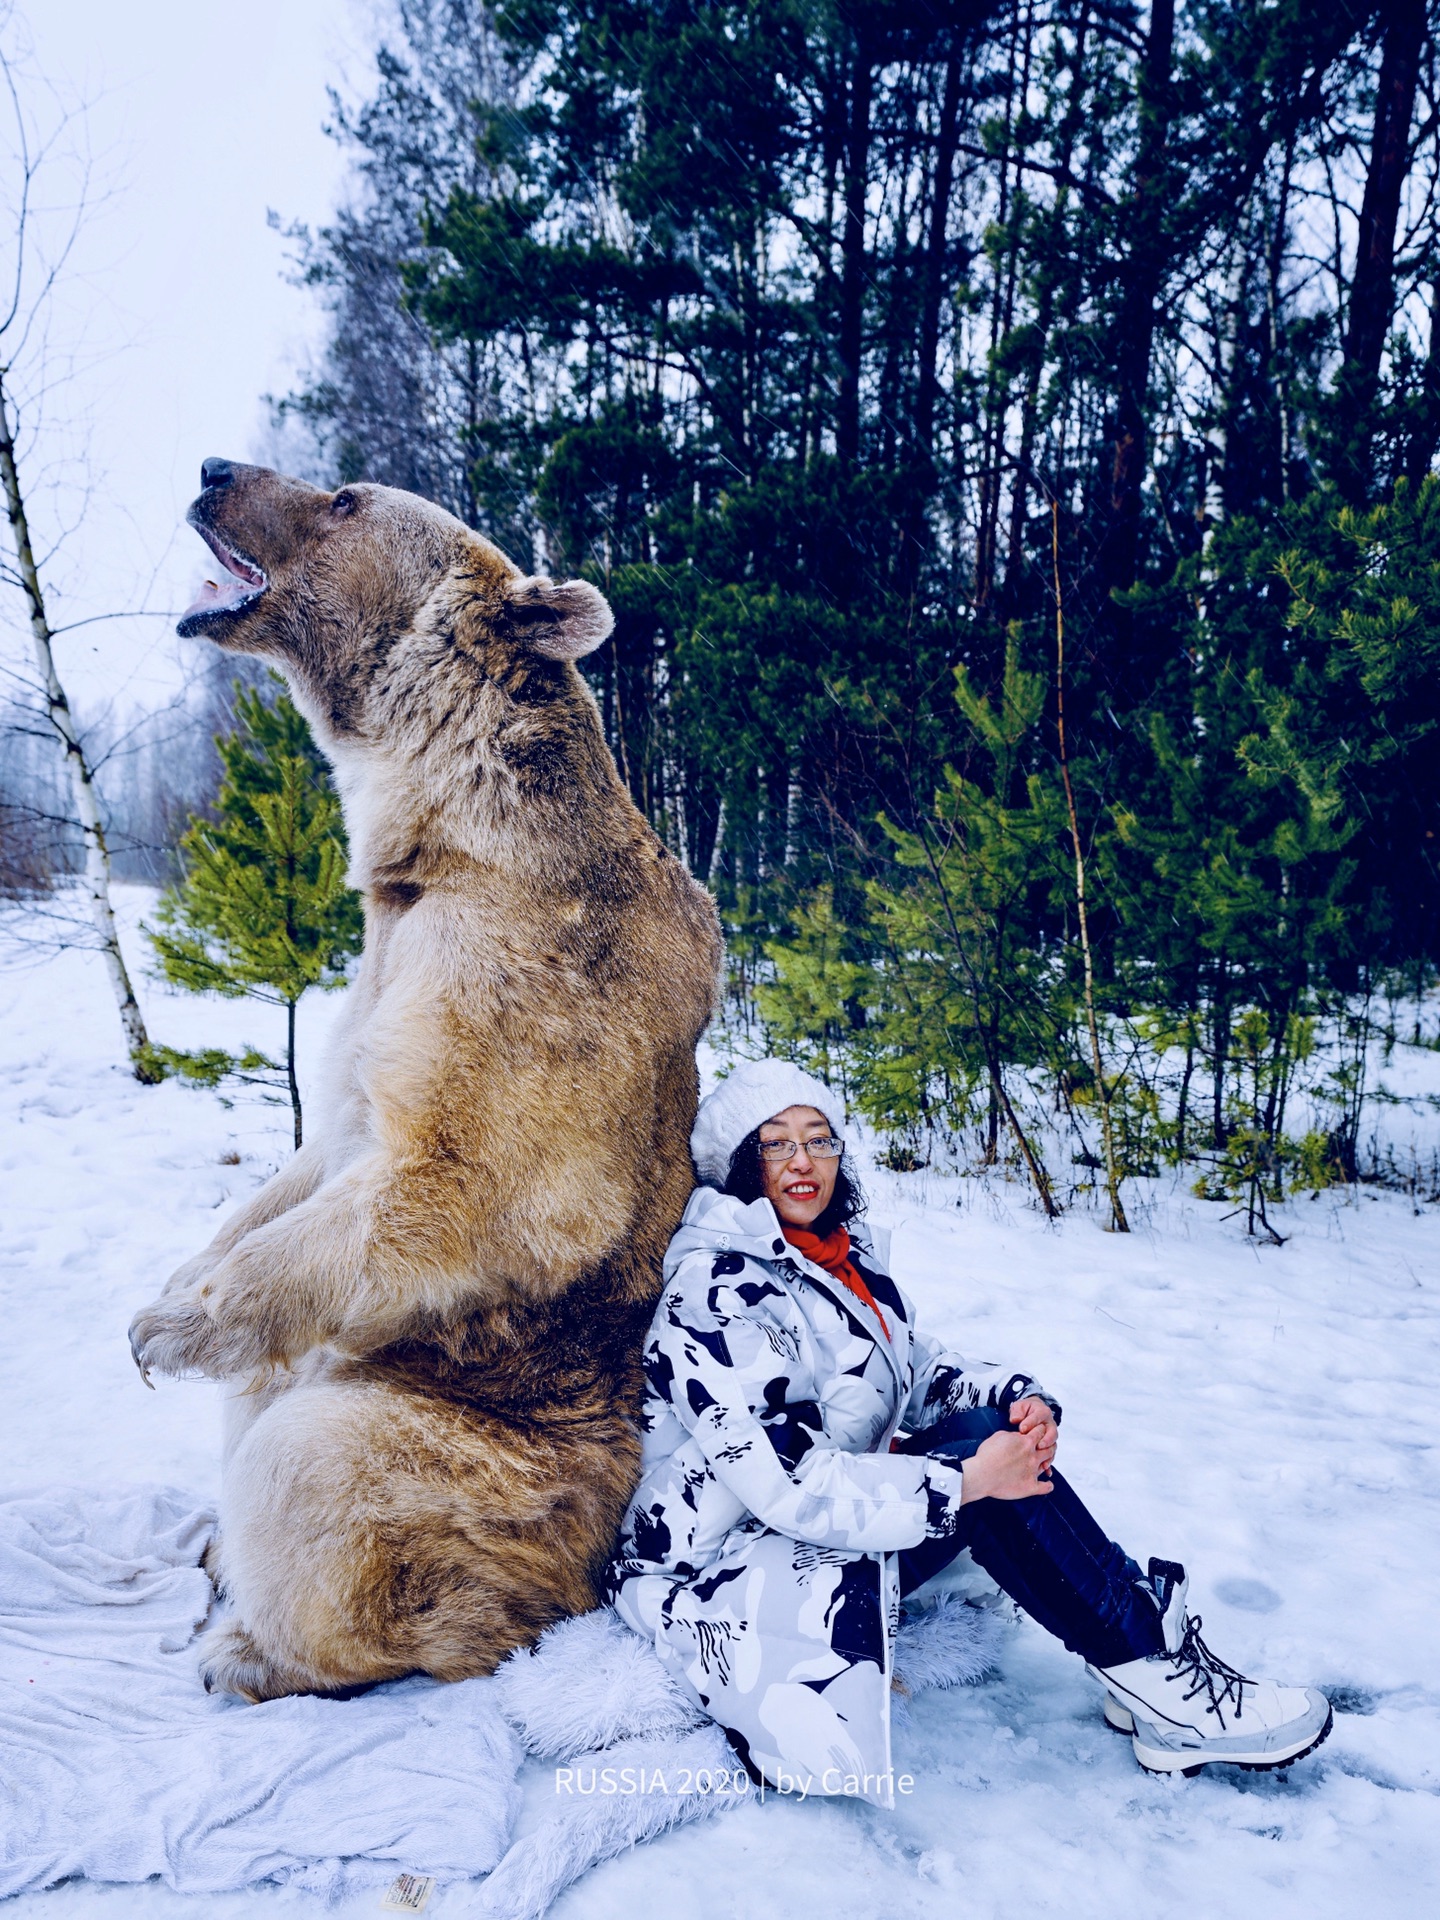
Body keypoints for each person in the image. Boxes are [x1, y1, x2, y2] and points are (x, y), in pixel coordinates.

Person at [610, 1059, 1331, 1808]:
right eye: (776, 1143)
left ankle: (1140, 1661)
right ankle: (1156, 1677)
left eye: (820, 1140)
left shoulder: (834, 1259)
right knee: (978, 1480)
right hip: (721, 1568)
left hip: (806, 1524)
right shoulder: (716, 1290)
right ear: (737, 1164)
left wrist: (1018, 1397)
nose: (802, 1162)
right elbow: (785, 1483)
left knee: (987, 1431)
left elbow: (910, 1368)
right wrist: (965, 1482)